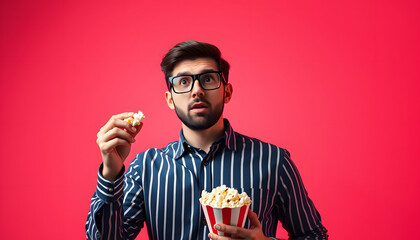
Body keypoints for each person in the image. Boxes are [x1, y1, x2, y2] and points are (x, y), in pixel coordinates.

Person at [86, 40, 328, 240]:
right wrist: (111, 172)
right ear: (170, 99)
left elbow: (314, 235)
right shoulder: (146, 168)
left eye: (208, 79)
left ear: (227, 91)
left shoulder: (273, 161)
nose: (196, 90)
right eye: (183, 82)